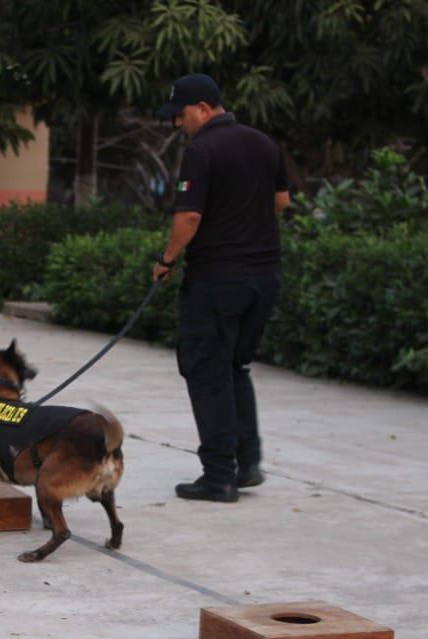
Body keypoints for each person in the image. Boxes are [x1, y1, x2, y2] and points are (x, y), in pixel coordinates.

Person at [152, 74, 291, 503]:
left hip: (217, 280)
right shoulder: (264, 143)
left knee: (206, 369)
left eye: (181, 115)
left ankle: (218, 476)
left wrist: (167, 260)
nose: (178, 124)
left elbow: (188, 218)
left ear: (204, 108)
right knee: (234, 367)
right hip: (263, 279)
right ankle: (246, 465)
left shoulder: (201, 151)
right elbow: (282, 203)